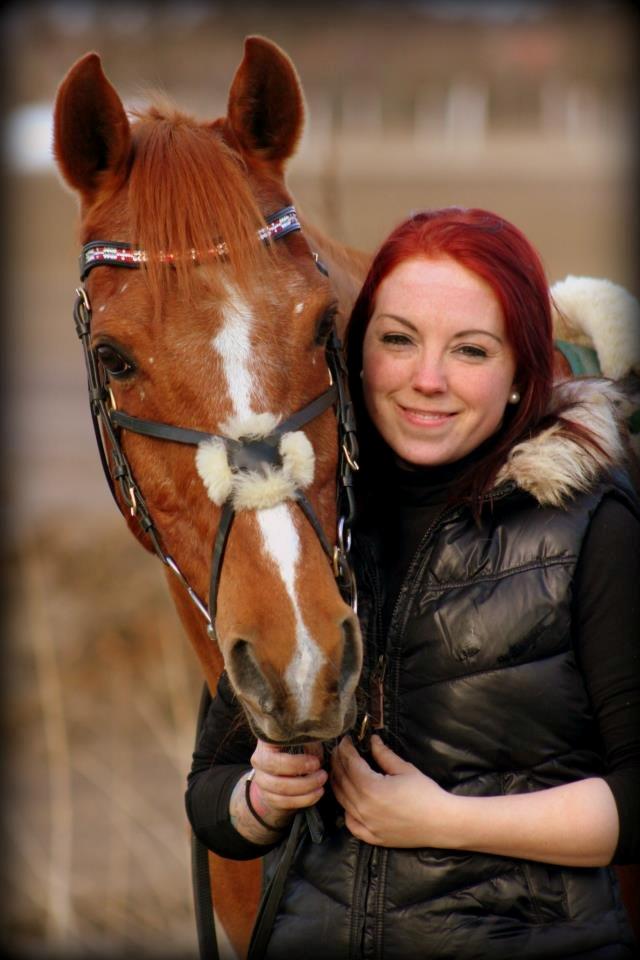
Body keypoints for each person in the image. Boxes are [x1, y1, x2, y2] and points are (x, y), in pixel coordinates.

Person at [186, 207, 640, 959]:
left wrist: (443, 822)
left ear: (522, 368)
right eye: (398, 340)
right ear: (356, 354)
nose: (427, 380)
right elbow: (211, 790)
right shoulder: (312, 522)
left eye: (470, 350)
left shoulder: (593, 524)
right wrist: (261, 798)